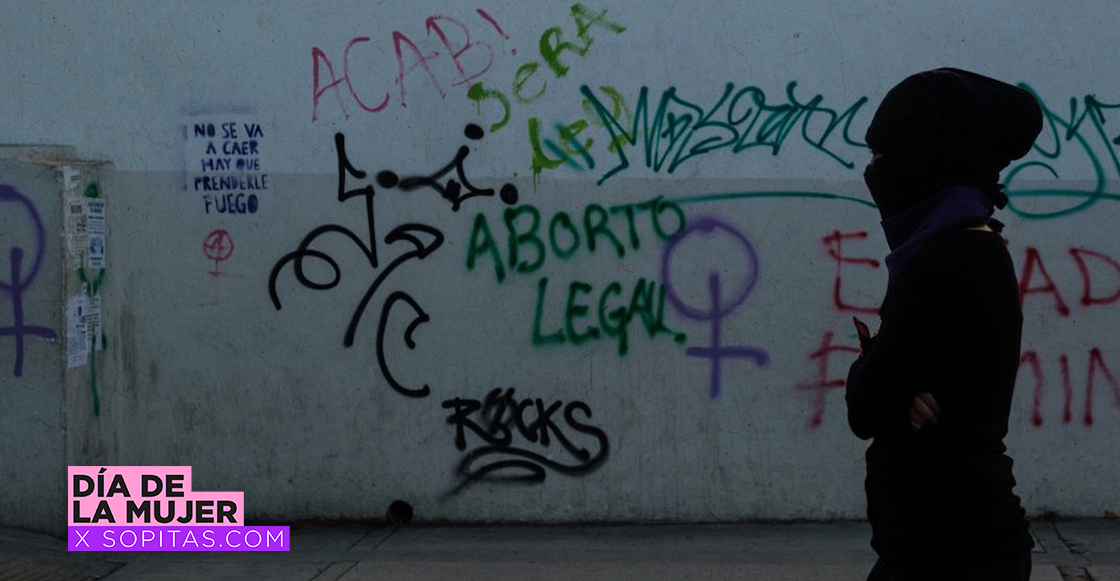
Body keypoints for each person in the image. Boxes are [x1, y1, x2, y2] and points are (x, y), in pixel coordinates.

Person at [845, 68, 1043, 580]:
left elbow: (864, 406)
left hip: (955, 552)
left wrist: (879, 371)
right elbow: (887, 389)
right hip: (942, 545)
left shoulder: (952, 256)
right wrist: (892, 382)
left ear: (928, 154)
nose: (873, 170)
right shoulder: (958, 248)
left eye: (883, 155)